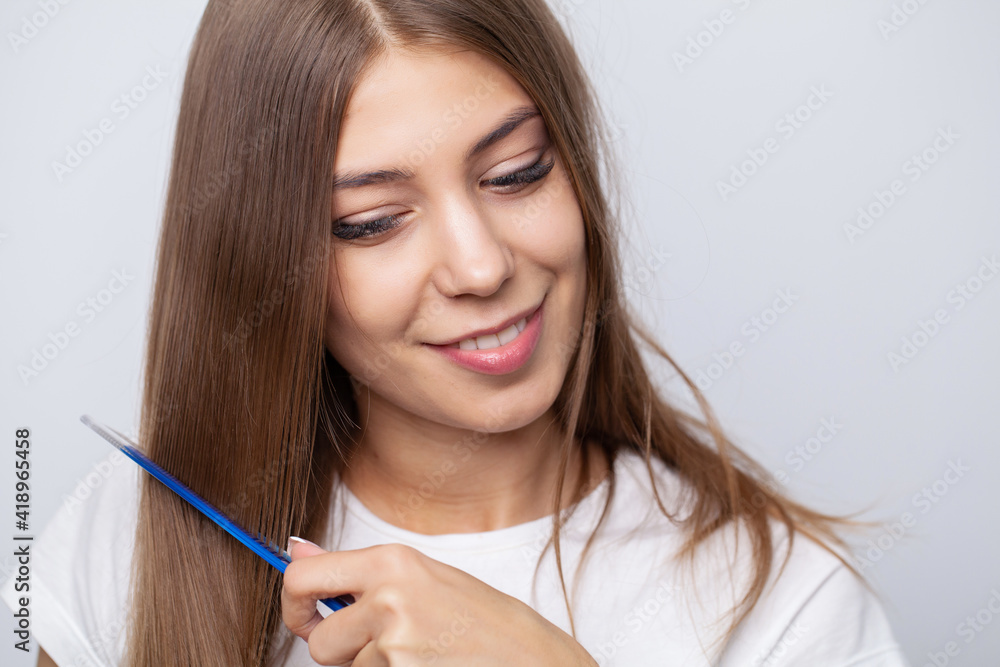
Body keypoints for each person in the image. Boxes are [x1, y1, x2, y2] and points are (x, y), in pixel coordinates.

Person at [2, 0, 912, 665]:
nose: (481, 267)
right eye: (371, 221)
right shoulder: (127, 543)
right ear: (266, 265)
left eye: (516, 174)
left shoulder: (788, 607)